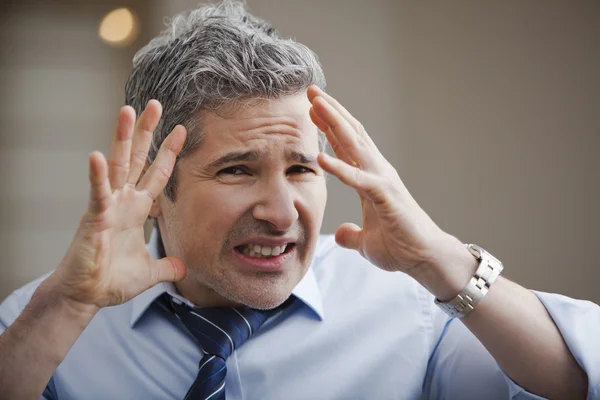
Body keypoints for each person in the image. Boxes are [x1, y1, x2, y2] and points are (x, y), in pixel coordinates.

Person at [0, 1, 598, 399]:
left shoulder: (415, 314)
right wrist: (67, 308)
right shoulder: (46, 322)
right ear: (156, 186)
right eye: (237, 170)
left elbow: (578, 383)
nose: (282, 211)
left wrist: (441, 260)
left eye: (302, 168)